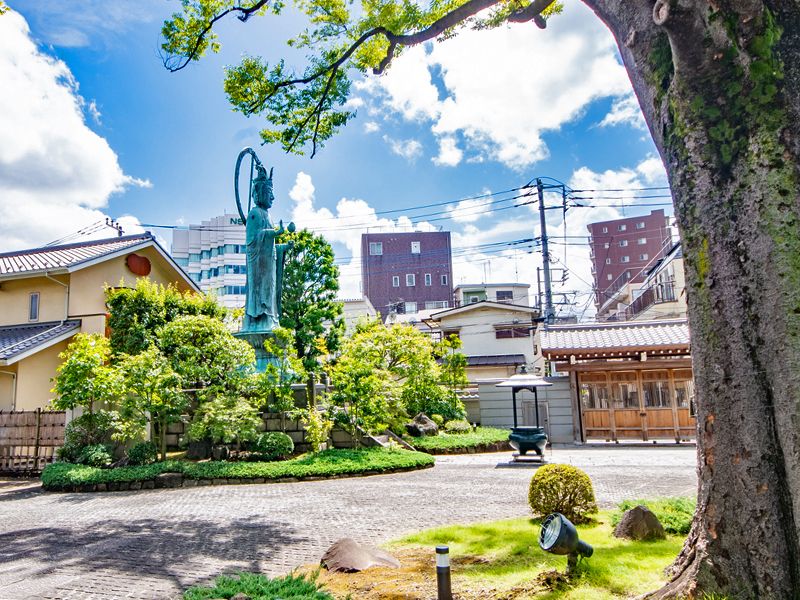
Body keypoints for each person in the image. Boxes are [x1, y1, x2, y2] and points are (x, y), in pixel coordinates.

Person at [242, 164, 294, 332]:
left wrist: (284, 246)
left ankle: (269, 317)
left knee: (270, 289)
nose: (273, 198)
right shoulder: (254, 214)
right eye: (270, 193)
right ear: (261, 193)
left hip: (268, 265)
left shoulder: (268, 216)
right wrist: (274, 233)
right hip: (259, 268)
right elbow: (253, 241)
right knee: (262, 291)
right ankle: (258, 317)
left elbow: (270, 246)